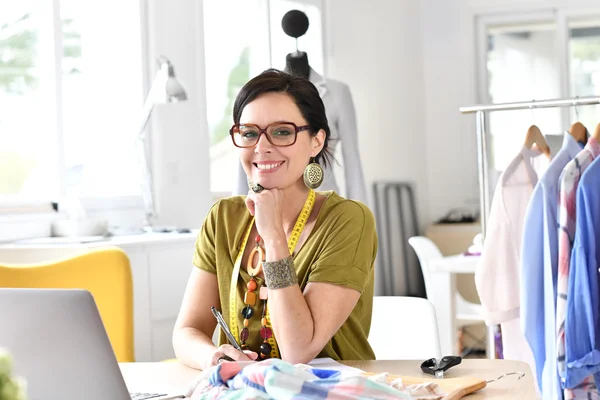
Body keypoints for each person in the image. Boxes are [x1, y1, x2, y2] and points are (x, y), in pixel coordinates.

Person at [173, 69, 378, 370]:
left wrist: (272, 235)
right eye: (249, 132)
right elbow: (187, 332)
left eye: (282, 132)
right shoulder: (223, 218)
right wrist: (215, 357)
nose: (262, 146)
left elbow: (297, 349)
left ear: (316, 142)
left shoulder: (348, 219)